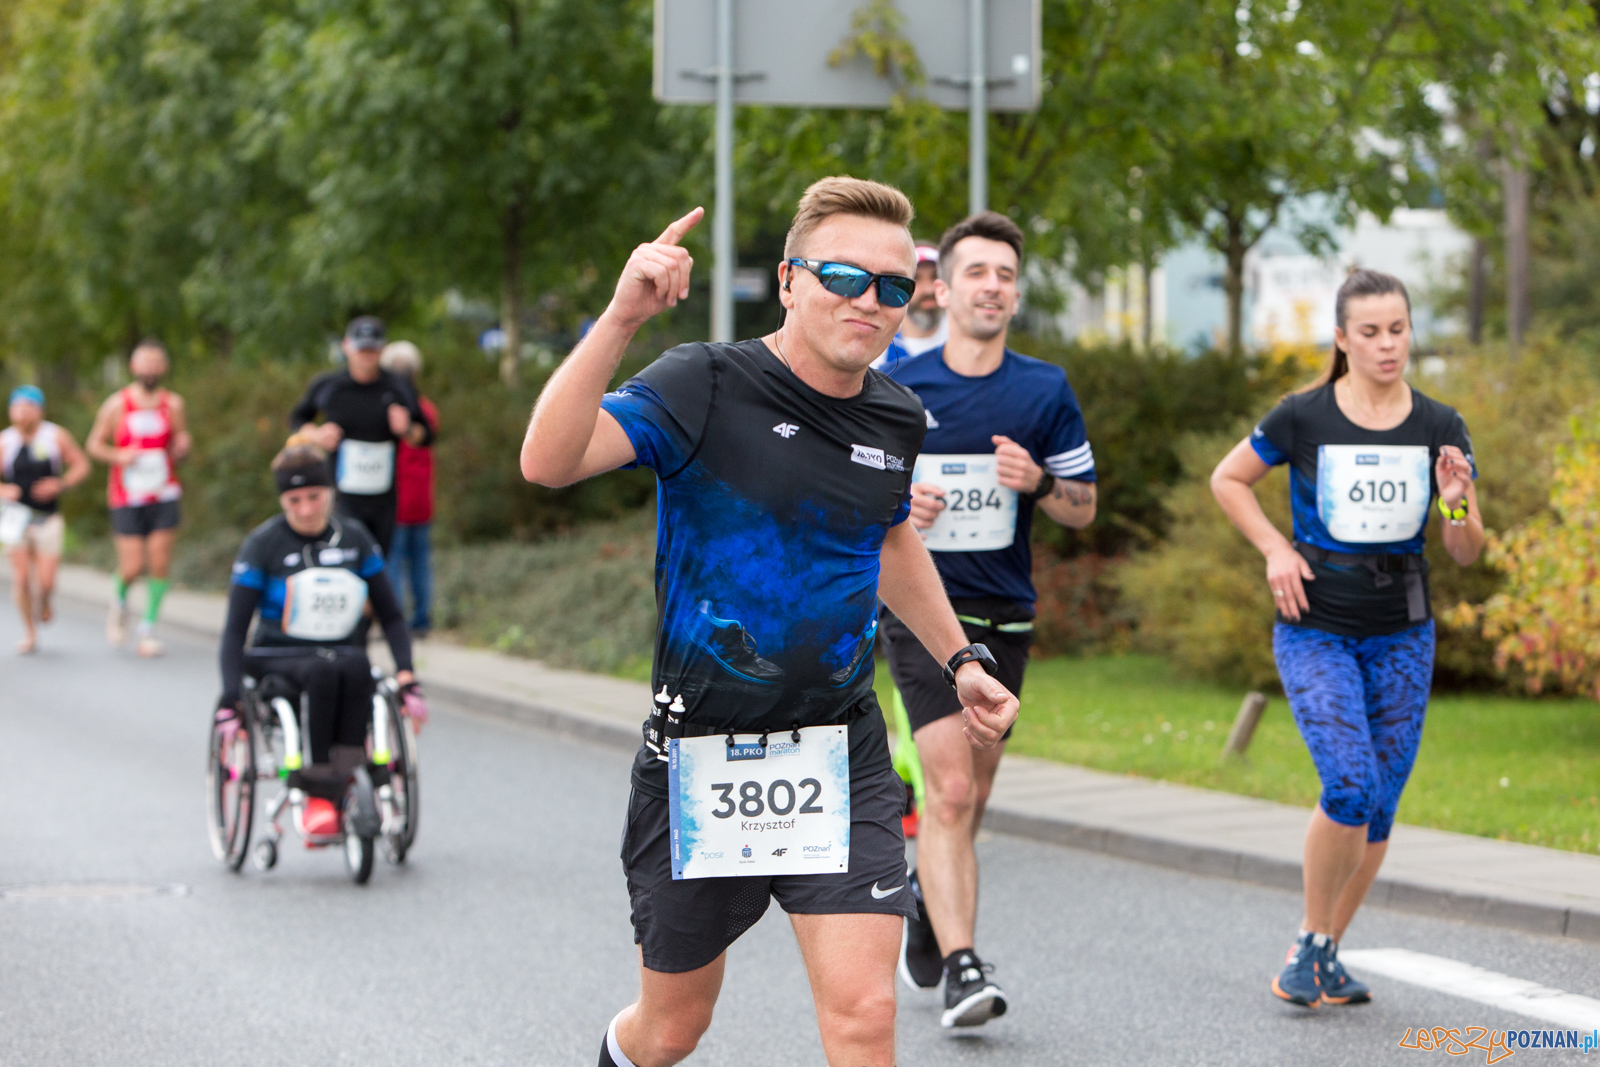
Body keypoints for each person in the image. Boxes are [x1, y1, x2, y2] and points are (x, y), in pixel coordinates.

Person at [520, 176, 1020, 1067]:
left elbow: (890, 533)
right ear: (789, 279)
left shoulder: (898, 417)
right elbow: (550, 461)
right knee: (671, 1029)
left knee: (865, 1014)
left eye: (893, 288)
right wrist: (621, 319)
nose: (868, 301)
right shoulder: (703, 382)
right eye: (842, 275)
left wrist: (961, 659)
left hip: (839, 750)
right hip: (701, 757)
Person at [1210, 269, 1482, 1009]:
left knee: (1382, 805)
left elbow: (1465, 551)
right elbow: (1228, 479)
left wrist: (1455, 507)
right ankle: (1311, 939)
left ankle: (1325, 949)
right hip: (1316, 628)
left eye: (1397, 329)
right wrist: (1274, 547)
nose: (1387, 344)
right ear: (1341, 338)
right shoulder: (1302, 416)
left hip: (1403, 634)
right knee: (1350, 785)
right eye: (1370, 331)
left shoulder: (1439, 426)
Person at [885, 211, 1098, 1028]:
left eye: (1006, 274)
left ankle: (922, 901)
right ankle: (965, 968)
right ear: (943, 287)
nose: (993, 287)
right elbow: (856, 501)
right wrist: (904, 505)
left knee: (968, 799)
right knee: (945, 788)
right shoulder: (905, 386)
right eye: (977, 272)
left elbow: (1083, 507)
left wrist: (1039, 481)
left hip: (1006, 616)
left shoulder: (1044, 389)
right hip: (921, 612)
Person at [217, 442, 421, 834]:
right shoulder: (263, 545)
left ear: (331, 492)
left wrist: (407, 673)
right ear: (282, 500)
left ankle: (345, 774)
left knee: (358, 665)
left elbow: (392, 615)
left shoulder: (355, 539)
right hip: (276, 654)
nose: (307, 509)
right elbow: (233, 630)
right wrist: (230, 696)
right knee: (322, 672)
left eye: (315, 497)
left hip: (343, 652)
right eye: (295, 500)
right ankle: (317, 790)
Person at [288, 316, 432, 556]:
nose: (366, 354)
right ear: (346, 346)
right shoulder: (329, 385)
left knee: (376, 563)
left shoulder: (398, 386)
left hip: (383, 498)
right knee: (343, 558)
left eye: (372, 349)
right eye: (361, 348)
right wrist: (316, 436)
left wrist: (406, 429)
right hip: (340, 495)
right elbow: (297, 420)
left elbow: (426, 435)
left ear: (382, 349)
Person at [85, 338, 193, 657]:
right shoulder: (117, 404)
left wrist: (183, 446)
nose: (150, 367)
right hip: (127, 494)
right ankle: (119, 602)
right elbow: (94, 444)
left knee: (159, 562)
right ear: (133, 366)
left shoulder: (173, 404)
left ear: (164, 367)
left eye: (156, 361)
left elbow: (181, 440)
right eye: (144, 361)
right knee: (131, 566)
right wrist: (119, 455)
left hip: (164, 491)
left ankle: (148, 629)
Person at [1, 386, 90, 653]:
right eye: (17, 406)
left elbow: (82, 465)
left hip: (47, 517)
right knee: (21, 579)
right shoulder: (5, 441)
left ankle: (46, 600)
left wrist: (60, 484)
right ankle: (30, 632)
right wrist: (3, 490)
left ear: (39, 410)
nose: (23, 412)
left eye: (29, 406)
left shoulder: (55, 436)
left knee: (46, 581)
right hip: (15, 519)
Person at [378, 340, 438, 637]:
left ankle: (398, 621)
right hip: (422, 501)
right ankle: (422, 619)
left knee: (393, 565)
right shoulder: (426, 409)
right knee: (419, 564)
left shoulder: (390, 413)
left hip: (396, 501)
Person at [873, 243, 947, 374]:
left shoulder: (965, 336)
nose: (928, 289)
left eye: (935, 276)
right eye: (916, 278)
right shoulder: (878, 350)